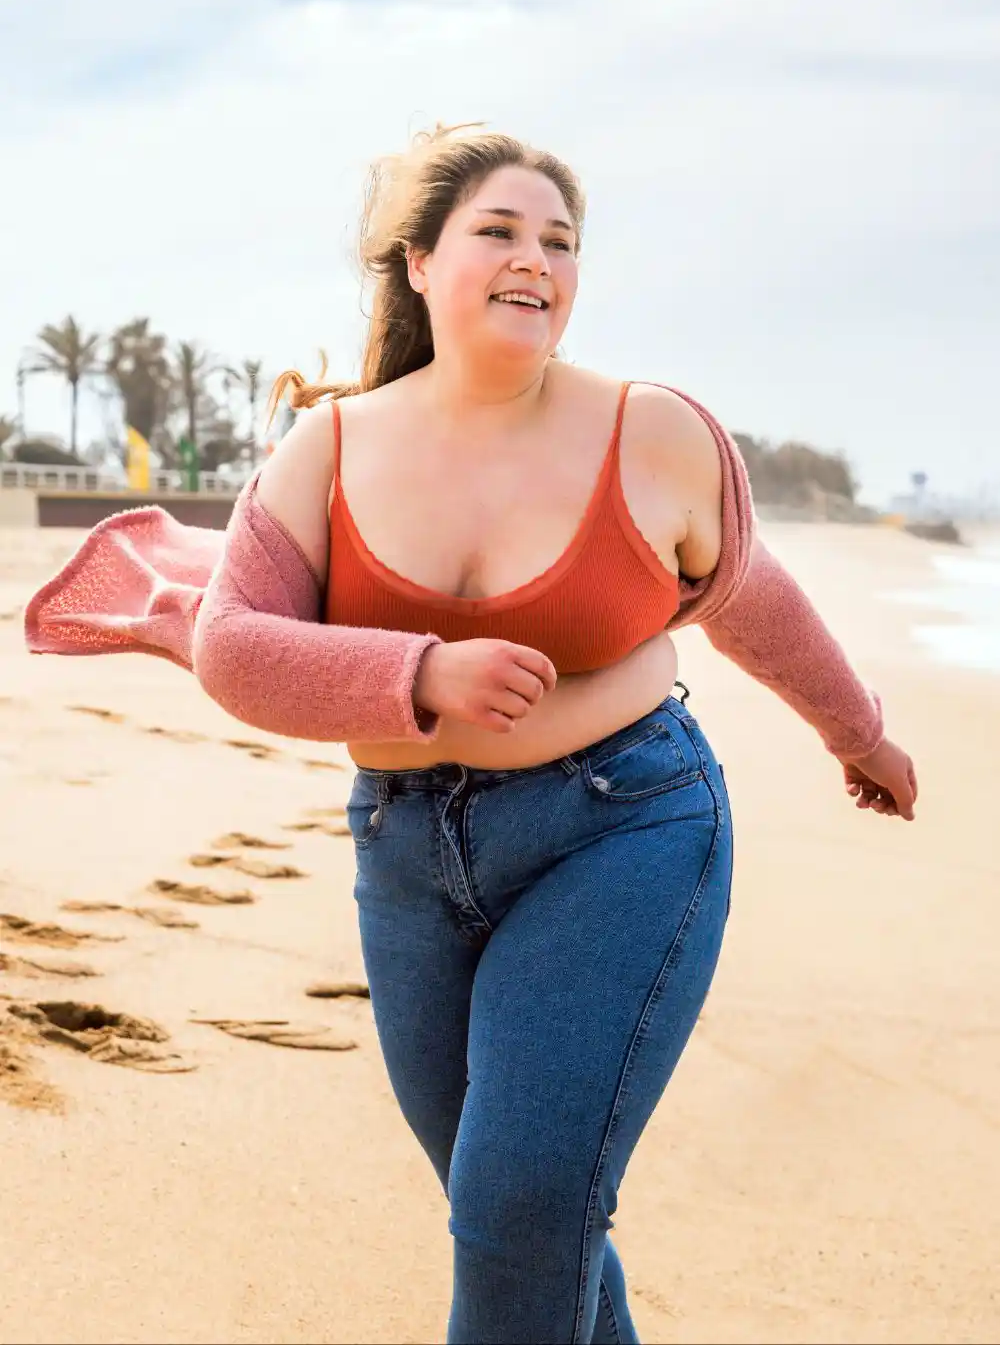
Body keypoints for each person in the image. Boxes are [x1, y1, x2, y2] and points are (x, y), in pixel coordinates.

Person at [25, 123, 917, 1345]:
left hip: (626, 828)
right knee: (521, 1219)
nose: (533, 259)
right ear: (416, 263)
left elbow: (747, 596)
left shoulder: (651, 433)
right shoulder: (329, 448)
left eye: (560, 240)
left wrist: (855, 731)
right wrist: (423, 673)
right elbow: (234, 647)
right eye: (497, 231)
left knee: (519, 1212)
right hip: (406, 858)